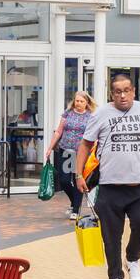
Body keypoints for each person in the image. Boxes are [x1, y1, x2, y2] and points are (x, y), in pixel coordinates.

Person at [75, 74, 140, 279]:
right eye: (118, 91)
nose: (123, 95)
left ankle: (133, 258)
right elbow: (86, 144)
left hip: (139, 186)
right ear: (112, 94)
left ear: (134, 91)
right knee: (110, 237)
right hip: (110, 187)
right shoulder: (101, 114)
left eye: (127, 90)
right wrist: (78, 174)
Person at [44, 91, 96, 221]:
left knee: (78, 178)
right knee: (64, 180)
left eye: (81, 101)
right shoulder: (68, 113)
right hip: (65, 150)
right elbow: (58, 131)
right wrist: (50, 147)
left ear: (87, 103)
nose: (78, 103)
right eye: (77, 101)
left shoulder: (90, 117)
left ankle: (76, 209)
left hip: (81, 153)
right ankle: (74, 202)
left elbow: (93, 136)